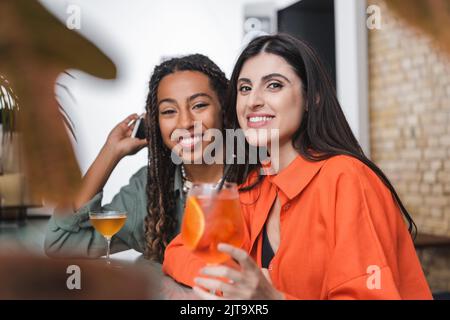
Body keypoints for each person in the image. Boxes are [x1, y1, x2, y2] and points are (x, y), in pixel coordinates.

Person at [162, 34, 433, 299]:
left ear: (311, 98)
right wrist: (233, 286)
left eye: (274, 85)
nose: (253, 100)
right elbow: (180, 250)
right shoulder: (257, 183)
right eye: (245, 88)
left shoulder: (347, 178)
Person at [45, 54, 243, 262]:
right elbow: (61, 243)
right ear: (155, 123)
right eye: (168, 111)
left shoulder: (256, 177)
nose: (185, 122)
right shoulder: (150, 191)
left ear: (225, 108)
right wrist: (111, 153)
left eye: (199, 105)